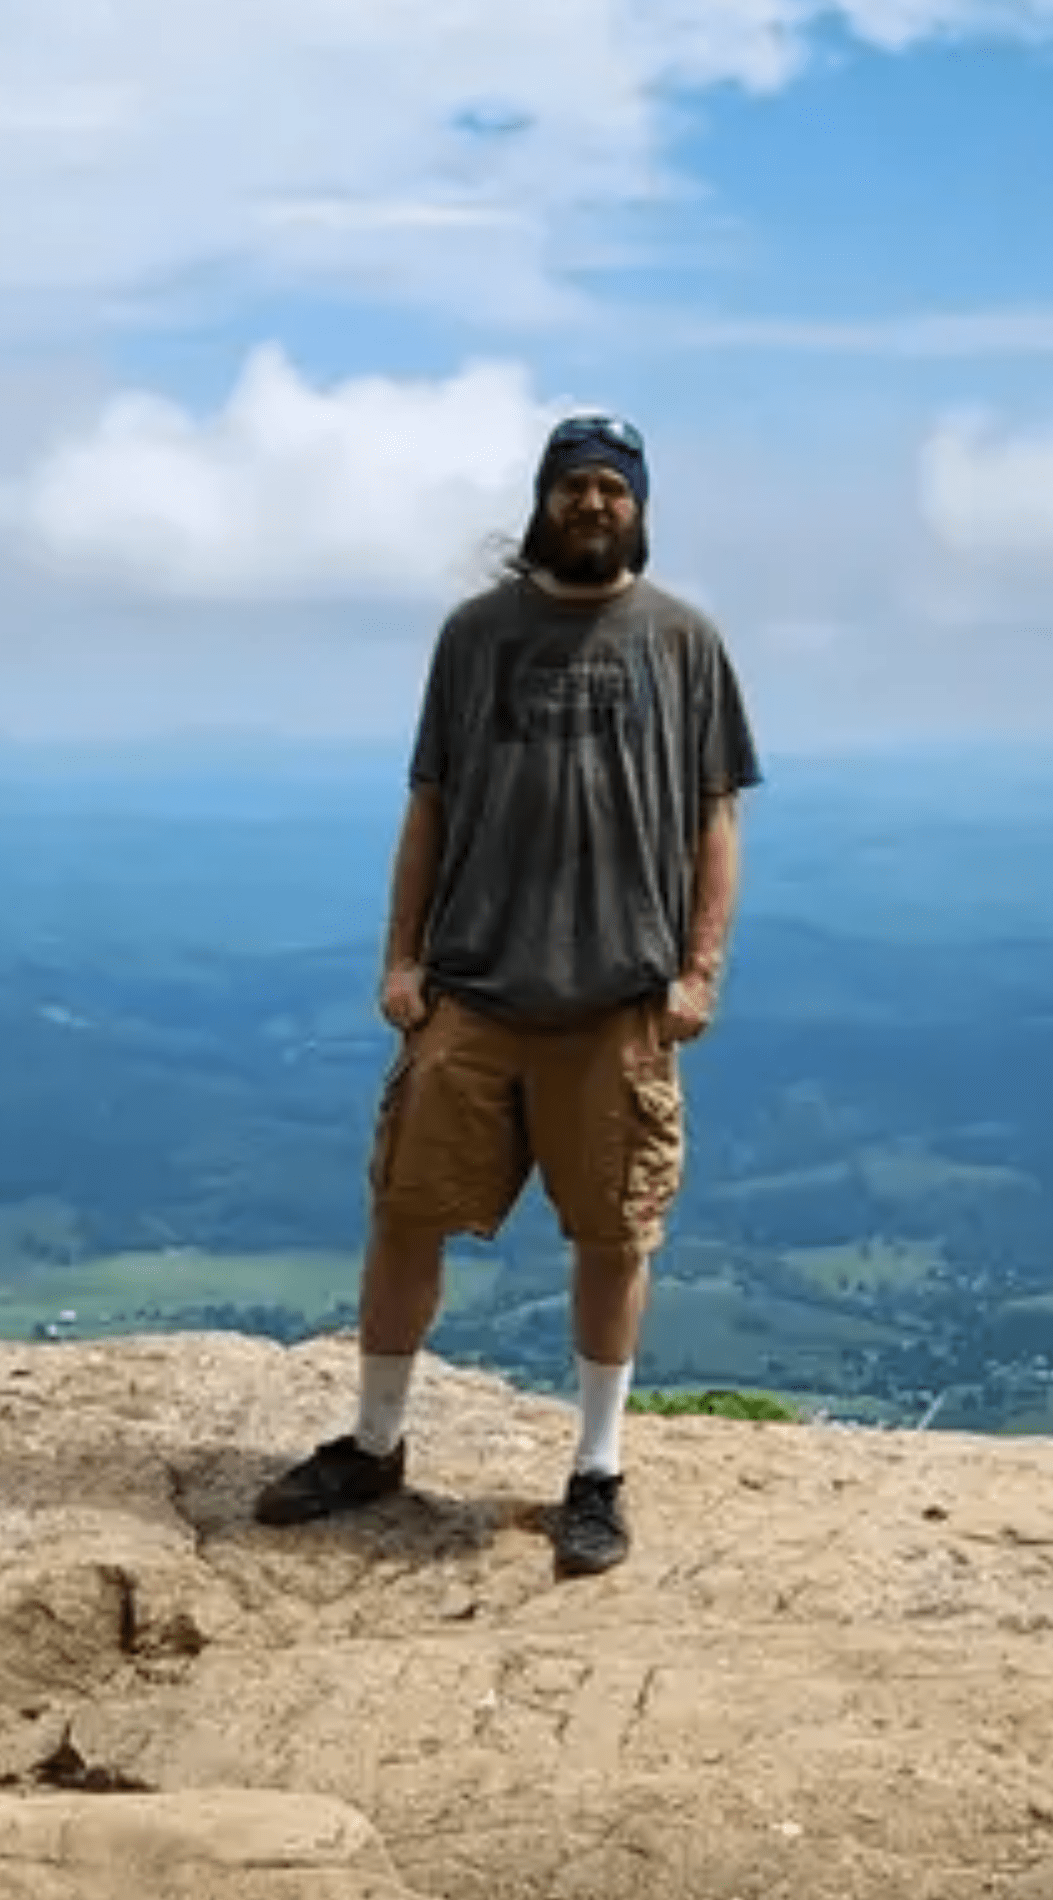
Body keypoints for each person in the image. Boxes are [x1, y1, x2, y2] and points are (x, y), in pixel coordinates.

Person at [254, 414, 762, 1573]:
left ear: (639, 506)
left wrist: (699, 971)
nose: (594, 505)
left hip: (620, 1001)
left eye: (613, 490)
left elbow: (714, 817)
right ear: (542, 499)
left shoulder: (684, 641)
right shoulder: (475, 636)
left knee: (613, 1235)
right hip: (474, 992)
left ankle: (596, 1471)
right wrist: (401, 958)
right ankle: (376, 1441)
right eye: (575, 486)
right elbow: (428, 802)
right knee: (407, 1212)